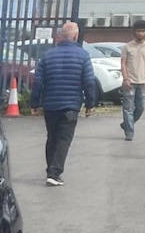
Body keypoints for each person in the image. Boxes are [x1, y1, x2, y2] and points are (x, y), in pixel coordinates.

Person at [30, 21, 97, 187]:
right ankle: (54, 173)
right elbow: (89, 81)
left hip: (51, 104)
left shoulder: (48, 55)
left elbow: (38, 82)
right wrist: (90, 103)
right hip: (71, 105)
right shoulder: (83, 55)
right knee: (64, 139)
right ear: (75, 36)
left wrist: (35, 103)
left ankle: (50, 170)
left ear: (60, 36)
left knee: (52, 138)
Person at [119, 20, 145, 141]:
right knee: (128, 107)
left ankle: (127, 124)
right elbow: (123, 63)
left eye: (143, 31)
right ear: (134, 32)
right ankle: (129, 132)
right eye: (138, 31)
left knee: (141, 107)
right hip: (130, 81)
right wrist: (125, 78)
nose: (140, 33)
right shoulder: (127, 47)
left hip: (142, 81)